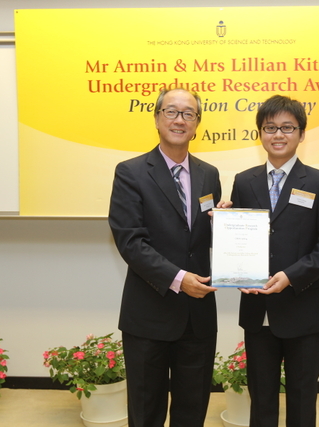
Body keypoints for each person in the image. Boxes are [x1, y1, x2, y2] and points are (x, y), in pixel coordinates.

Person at [109, 88, 225, 427]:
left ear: (197, 124)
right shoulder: (131, 172)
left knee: (192, 411)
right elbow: (131, 242)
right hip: (149, 314)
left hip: (198, 317)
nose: (179, 119)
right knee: (146, 413)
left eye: (188, 114)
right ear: (157, 118)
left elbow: (199, 238)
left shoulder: (209, 174)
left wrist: (226, 225)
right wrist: (179, 279)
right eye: (171, 112)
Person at [230, 94, 319, 427]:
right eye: (270, 128)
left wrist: (291, 276)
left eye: (287, 128)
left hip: (302, 310)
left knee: (302, 398)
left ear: (301, 133)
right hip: (257, 310)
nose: (278, 135)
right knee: (261, 399)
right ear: (260, 133)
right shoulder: (244, 181)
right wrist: (223, 227)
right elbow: (239, 242)